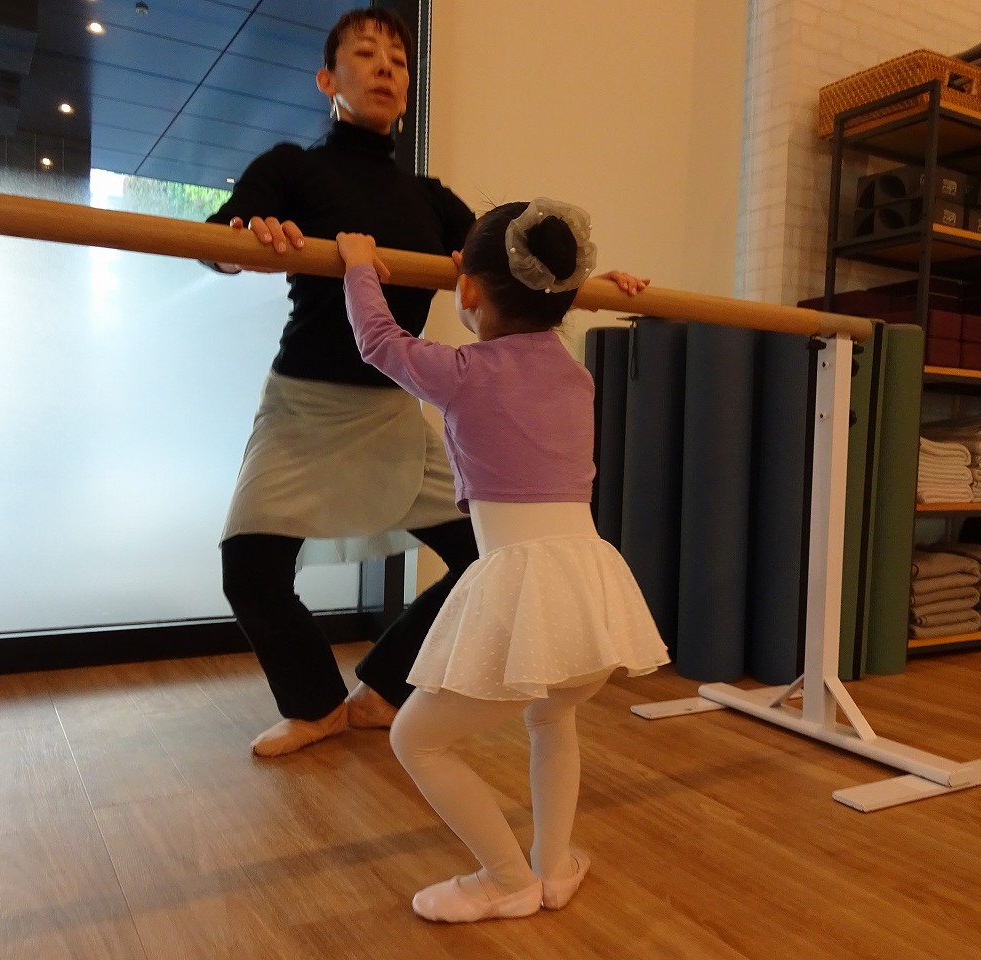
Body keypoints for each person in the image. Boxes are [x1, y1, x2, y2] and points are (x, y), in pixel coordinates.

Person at [336, 198, 671, 923]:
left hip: (527, 585)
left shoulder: (463, 371)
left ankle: (505, 879)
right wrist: (598, 285)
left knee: (416, 738)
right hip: (590, 589)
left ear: (467, 287)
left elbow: (379, 341)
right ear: (565, 296)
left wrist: (359, 266)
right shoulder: (575, 375)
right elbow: (540, 318)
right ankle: (554, 866)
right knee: (553, 719)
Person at [202, 8, 481, 758]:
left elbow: (509, 261)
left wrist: (597, 276)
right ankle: (316, 706)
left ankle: (384, 689)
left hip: (391, 412)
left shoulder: (431, 199)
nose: (386, 67)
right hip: (303, 405)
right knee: (249, 569)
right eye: (365, 53)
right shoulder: (293, 168)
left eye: (398, 59)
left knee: (488, 556)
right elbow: (221, 237)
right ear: (328, 80)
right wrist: (245, 238)